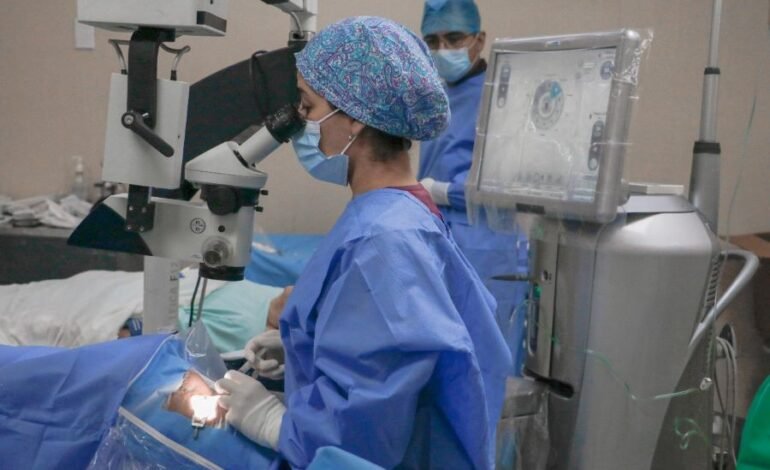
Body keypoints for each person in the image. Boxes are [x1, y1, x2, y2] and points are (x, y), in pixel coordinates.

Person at [215, 16, 512, 469]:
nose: (301, 121)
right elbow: (385, 352)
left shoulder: (384, 240)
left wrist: (274, 422)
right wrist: (304, 350)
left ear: (353, 118)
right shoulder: (399, 212)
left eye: (308, 105)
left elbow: (366, 433)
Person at [418, 0, 529, 374]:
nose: (442, 50)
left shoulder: (501, 97)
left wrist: (441, 191)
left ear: (479, 40)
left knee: (487, 365)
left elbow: (509, 185)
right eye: (432, 41)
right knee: (443, 363)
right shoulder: (435, 96)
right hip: (439, 239)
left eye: (454, 38)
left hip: (489, 247)